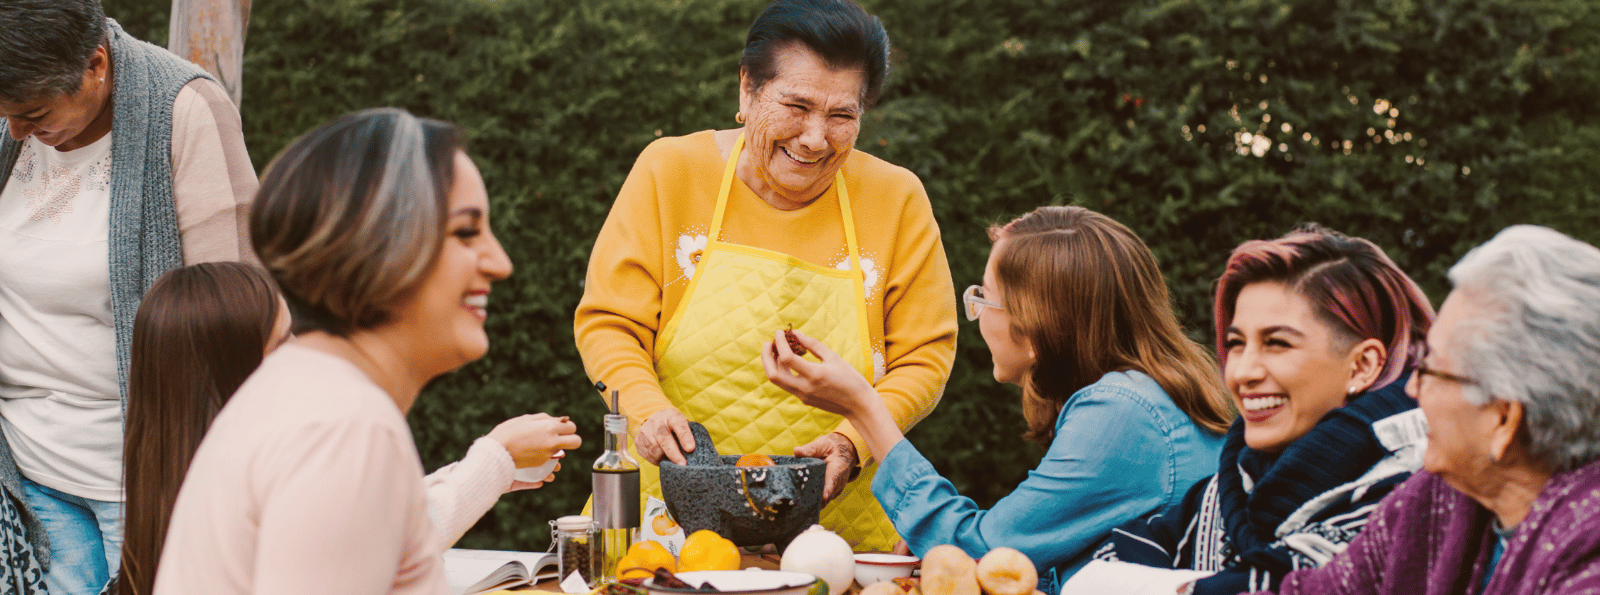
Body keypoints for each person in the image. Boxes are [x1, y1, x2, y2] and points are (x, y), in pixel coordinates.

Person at [574, 0, 956, 549]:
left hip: (837, 538)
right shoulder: (671, 172)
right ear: (747, 90)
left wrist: (851, 441)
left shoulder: (896, 199)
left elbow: (926, 356)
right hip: (668, 527)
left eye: (842, 115)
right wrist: (647, 412)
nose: (815, 138)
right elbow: (609, 324)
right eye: (797, 105)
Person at [153, 109, 582, 594]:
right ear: (382, 249)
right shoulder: (345, 429)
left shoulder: (307, 394)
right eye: (466, 232)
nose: (500, 263)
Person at [768, 206, 1233, 587]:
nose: (977, 316)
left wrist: (863, 407)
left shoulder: (1121, 413)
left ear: (1035, 329)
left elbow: (984, 551)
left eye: (985, 299)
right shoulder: (1143, 397)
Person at [0, 1, 257, 593]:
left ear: (95, 65)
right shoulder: (11, 115)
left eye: (34, 113)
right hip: (27, 472)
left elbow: (236, 312)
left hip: (141, 477)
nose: (15, 131)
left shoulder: (184, 110)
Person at [1066, 225, 1436, 595]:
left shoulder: (1419, 492)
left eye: (1277, 343)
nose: (1242, 373)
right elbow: (1101, 567)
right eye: (1237, 343)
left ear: (1362, 365)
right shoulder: (1226, 489)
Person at [1248, 225, 1600, 594]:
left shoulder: (1587, 553)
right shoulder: (1436, 502)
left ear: (1503, 419)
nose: (1412, 389)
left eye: (1430, 369)